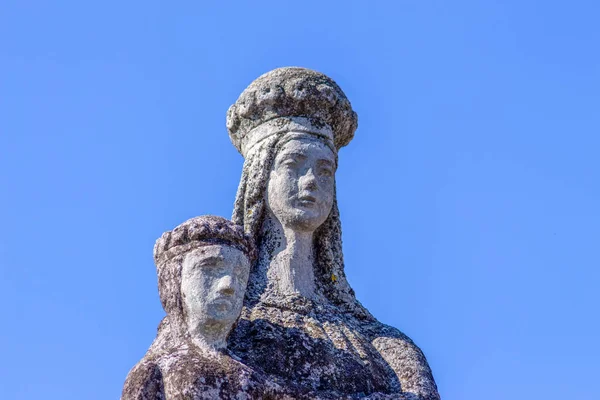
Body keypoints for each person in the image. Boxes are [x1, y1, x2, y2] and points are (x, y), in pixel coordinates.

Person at [226, 67, 440, 399]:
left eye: (325, 170)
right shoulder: (225, 328)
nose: (311, 180)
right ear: (260, 177)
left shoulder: (389, 348)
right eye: (294, 163)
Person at [121, 215, 292, 400]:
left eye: (240, 275)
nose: (229, 284)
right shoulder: (156, 372)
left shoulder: (252, 377)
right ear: (173, 281)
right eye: (210, 268)